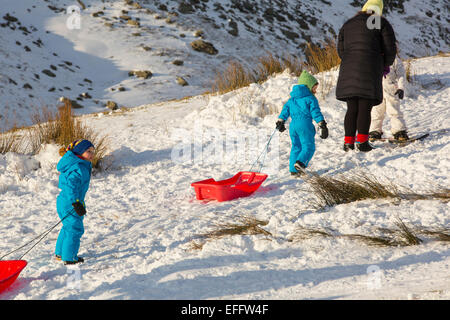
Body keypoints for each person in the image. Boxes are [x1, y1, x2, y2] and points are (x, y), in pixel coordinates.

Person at [335, 0, 397, 152]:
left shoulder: (349, 23)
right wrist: (385, 63)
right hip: (369, 69)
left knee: (352, 108)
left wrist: (351, 60)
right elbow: (390, 49)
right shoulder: (376, 21)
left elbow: (341, 51)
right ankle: (362, 142)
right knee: (364, 107)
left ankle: (348, 142)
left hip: (348, 70)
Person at [276, 70, 328, 176]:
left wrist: (281, 121)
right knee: (308, 146)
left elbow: (285, 111)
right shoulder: (310, 98)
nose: (315, 91)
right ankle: (300, 163)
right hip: (305, 125)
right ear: (308, 86)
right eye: (314, 88)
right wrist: (322, 123)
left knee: (296, 146)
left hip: (293, 126)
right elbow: (315, 112)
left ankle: (293, 171)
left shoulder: (292, 99)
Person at [55, 139, 95, 265]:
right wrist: (76, 203)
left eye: (93, 151)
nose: (92, 154)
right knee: (74, 229)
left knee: (68, 227)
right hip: (70, 202)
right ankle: (69, 257)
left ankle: (60, 253)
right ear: (79, 152)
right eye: (88, 151)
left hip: (66, 201)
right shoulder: (78, 167)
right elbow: (70, 187)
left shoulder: (79, 164)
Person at [369, 53, 409, 141]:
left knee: (394, 110)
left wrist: (401, 87)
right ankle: (374, 131)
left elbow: (401, 74)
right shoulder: (373, 56)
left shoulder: (393, 58)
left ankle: (399, 131)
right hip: (377, 89)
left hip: (391, 89)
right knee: (376, 111)